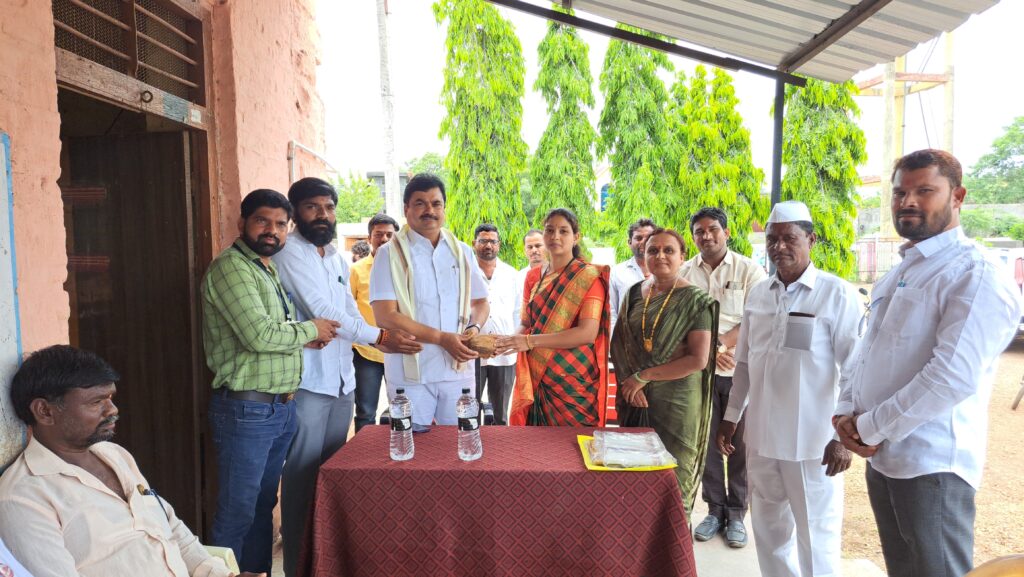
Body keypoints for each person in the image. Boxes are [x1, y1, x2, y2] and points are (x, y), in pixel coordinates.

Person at [834, 149, 1021, 577]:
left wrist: (868, 426)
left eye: (924, 191)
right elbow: (868, 348)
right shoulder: (905, 269)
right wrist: (847, 410)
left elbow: (951, 377)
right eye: (900, 192)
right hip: (884, 455)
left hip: (931, 464)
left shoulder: (974, 273)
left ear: (958, 196)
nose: (908, 201)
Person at [0, 345, 261, 577]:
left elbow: (171, 529)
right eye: (96, 402)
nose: (112, 410)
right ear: (45, 411)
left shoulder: (114, 455)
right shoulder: (23, 498)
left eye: (110, 398)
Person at [272, 178, 420, 577]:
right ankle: (298, 567)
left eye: (329, 207)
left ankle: (327, 559)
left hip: (340, 380)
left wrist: (379, 339)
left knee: (332, 475)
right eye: (313, 208)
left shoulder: (336, 258)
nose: (323, 215)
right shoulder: (291, 254)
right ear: (295, 212)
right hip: (308, 381)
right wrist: (381, 337)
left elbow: (348, 313)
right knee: (302, 477)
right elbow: (321, 309)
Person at [718, 200, 861, 577]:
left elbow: (854, 369)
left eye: (789, 238)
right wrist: (731, 417)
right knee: (769, 531)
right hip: (762, 439)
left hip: (813, 444)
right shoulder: (759, 294)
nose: (779, 246)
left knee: (816, 534)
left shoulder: (836, 293)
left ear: (811, 239)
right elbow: (745, 363)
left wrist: (842, 436)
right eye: (772, 239)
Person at [201, 189, 339, 574]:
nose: (272, 231)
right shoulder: (231, 267)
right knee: (237, 509)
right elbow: (259, 335)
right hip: (247, 409)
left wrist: (300, 333)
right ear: (241, 222)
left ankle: (254, 571)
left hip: (277, 408)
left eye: (281, 224)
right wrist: (310, 328)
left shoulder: (265, 267)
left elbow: (277, 330)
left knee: (262, 504)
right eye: (263, 221)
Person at [610, 227, 718, 510]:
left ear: (682, 256)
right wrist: (629, 384)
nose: (660, 256)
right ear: (643, 257)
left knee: (672, 474)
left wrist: (643, 377)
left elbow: (698, 359)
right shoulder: (634, 293)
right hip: (635, 397)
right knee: (634, 473)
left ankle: (675, 547)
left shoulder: (696, 300)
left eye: (669, 250)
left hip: (676, 402)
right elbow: (619, 344)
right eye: (652, 250)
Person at [370, 173, 489, 426]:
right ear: (407, 209)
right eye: (420, 203)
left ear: (444, 208)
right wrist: (442, 339)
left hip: (458, 369)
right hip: (410, 372)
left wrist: (473, 328)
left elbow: (481, 302)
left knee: (460, 443)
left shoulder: (462, 251)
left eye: (436, 204)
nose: (429, 210)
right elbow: (385, 315)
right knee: (412, 446)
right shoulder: (388, 254)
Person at [681, 207, 767, 548]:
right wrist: (709, 349)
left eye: (713, 229)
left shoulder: (749, 269)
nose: (706, 236)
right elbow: (683, 320)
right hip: (699, 374)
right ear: (693, 237)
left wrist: (720, 343)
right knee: (707, 445)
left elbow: (756, 317)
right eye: (699, 231)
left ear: (726, 233)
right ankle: (714, 509)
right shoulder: (685, 271)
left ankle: (737, 514)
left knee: (740, 445)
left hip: (739, 372)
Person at [496, 208, 611, 426]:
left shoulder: (588, 277)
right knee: (536, 449)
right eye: (549, 230)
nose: (555, 236)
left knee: (572, 449)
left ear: (576, 237)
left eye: (563, 231)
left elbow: (587, 334)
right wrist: (507, 342)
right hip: (537, 378)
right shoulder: (532, 276)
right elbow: (526, 323)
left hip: (572, 378)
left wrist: (529, 341)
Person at [350, 213, 400, 431]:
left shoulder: (406, 268)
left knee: (401, 408)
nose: (385, 239)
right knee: (366, 412)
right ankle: (364, 459)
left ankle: (401, 453)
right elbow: (348, 310)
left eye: (390, 234)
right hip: (366, 351)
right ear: (369, 238)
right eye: (379, 234)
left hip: (399, 350)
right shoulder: (356, 270)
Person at [472, 223, 520, 425]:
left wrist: (513, 341)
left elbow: (519, 312)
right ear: (474, 243)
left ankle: (499, 453)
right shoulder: (466, 273)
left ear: (499, 245)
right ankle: (471, 447)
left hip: (504, 355)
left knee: (500, 413)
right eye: (483, 241)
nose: (488, 245)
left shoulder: (511, 274)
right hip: (472, 353)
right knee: (470, 409)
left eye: (492, 241)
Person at [609, 218, 656, 331]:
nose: (644, 242)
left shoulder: (667, 271)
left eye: (649, 237)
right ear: (629, 243)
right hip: (626, 341)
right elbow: (611, 313)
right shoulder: (617, 272)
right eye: (638, 238)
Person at [515, 229, 547, 305]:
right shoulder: (518, 278)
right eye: (530, 247)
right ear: (524, 251)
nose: (534, 250)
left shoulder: (558, 274)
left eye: (538, 246)